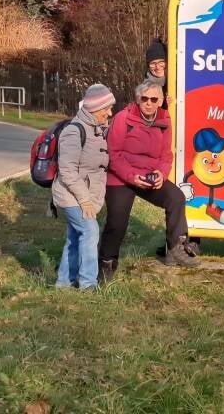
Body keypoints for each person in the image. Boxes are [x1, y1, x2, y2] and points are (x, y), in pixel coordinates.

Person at [99, 79, 197, 279]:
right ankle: (106, 264)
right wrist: (132, 177)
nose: (149, 103)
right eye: (144, 99)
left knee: (176, 198)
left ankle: (175, 249)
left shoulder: (165, 120)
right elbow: (113, 155)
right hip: (121, 177)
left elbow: (166, 154)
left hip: (149, 176)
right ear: (138, 99)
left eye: (154, 99)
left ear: (161, 101)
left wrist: (162, 173)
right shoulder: (123, 118)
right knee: (117, 222)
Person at [53, 83, 115, 290]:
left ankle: (64, 283)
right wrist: (85, 200)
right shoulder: (74, 131)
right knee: (90, 231)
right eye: (107, 108)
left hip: (83, 195)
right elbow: (67, 171)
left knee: (74, 237)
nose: (110, 113)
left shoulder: (97, 129)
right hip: (71, 196)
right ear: (95, 108)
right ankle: (88, 284)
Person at [145, 37, 169, 109]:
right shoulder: (144, 89)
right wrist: (164, 104)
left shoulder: (179, 82)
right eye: (153, 63)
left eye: (161, 62)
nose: (157, 67)